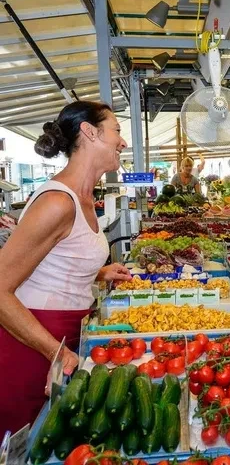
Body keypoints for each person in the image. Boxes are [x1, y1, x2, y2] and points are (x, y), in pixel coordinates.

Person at [0, 101, 132, 433]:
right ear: (90, 132)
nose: (123, 141)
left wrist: (98, 271)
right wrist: (53, 352)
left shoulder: (83, 196)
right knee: (33, 435)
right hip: (33, 342)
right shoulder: (58, 201)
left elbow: (56, 257)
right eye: (117, 130)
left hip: (64, 335)